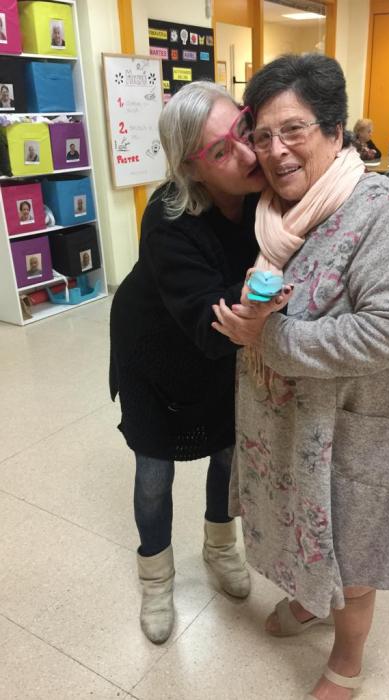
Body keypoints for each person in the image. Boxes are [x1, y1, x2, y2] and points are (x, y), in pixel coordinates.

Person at [212, 54, 389, 700]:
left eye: (294, 130)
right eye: (263, 135)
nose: (276, 150)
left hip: (366, 418)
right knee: (310, 524)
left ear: (336, 132)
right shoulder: (272, 213)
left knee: (353, 545)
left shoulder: (376, 209)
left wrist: (270, 339)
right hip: (303, 419)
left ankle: (347, 661)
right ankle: (313, 597)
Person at [109, 81, 288, 646]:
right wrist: (269, 285)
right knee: (154, 476)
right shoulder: (168, 217)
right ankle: (156, 578)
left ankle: (219, 546)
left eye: (242, 129)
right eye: (219, 150)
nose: (245, 152)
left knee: (227, 453)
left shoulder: (263, 197)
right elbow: (213, 325)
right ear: (192, 168)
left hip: (224, 352)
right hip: (155, 356)